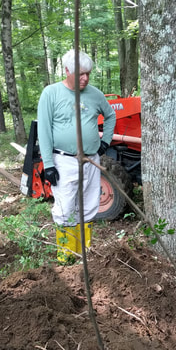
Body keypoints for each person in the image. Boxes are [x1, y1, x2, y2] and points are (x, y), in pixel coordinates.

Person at [37, 50, 116, 263]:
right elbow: (43, 131)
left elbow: (110, 115)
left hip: (91, 160)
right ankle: (66, 257)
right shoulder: (51, 94)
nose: (85, 78)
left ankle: (84, 254)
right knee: (65, 207)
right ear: (66, 71)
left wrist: (105, 143)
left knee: (90, 204)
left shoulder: (95, 94)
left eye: (88, 73)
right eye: (80, 74)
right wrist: (49, 164)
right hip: (64, 161)